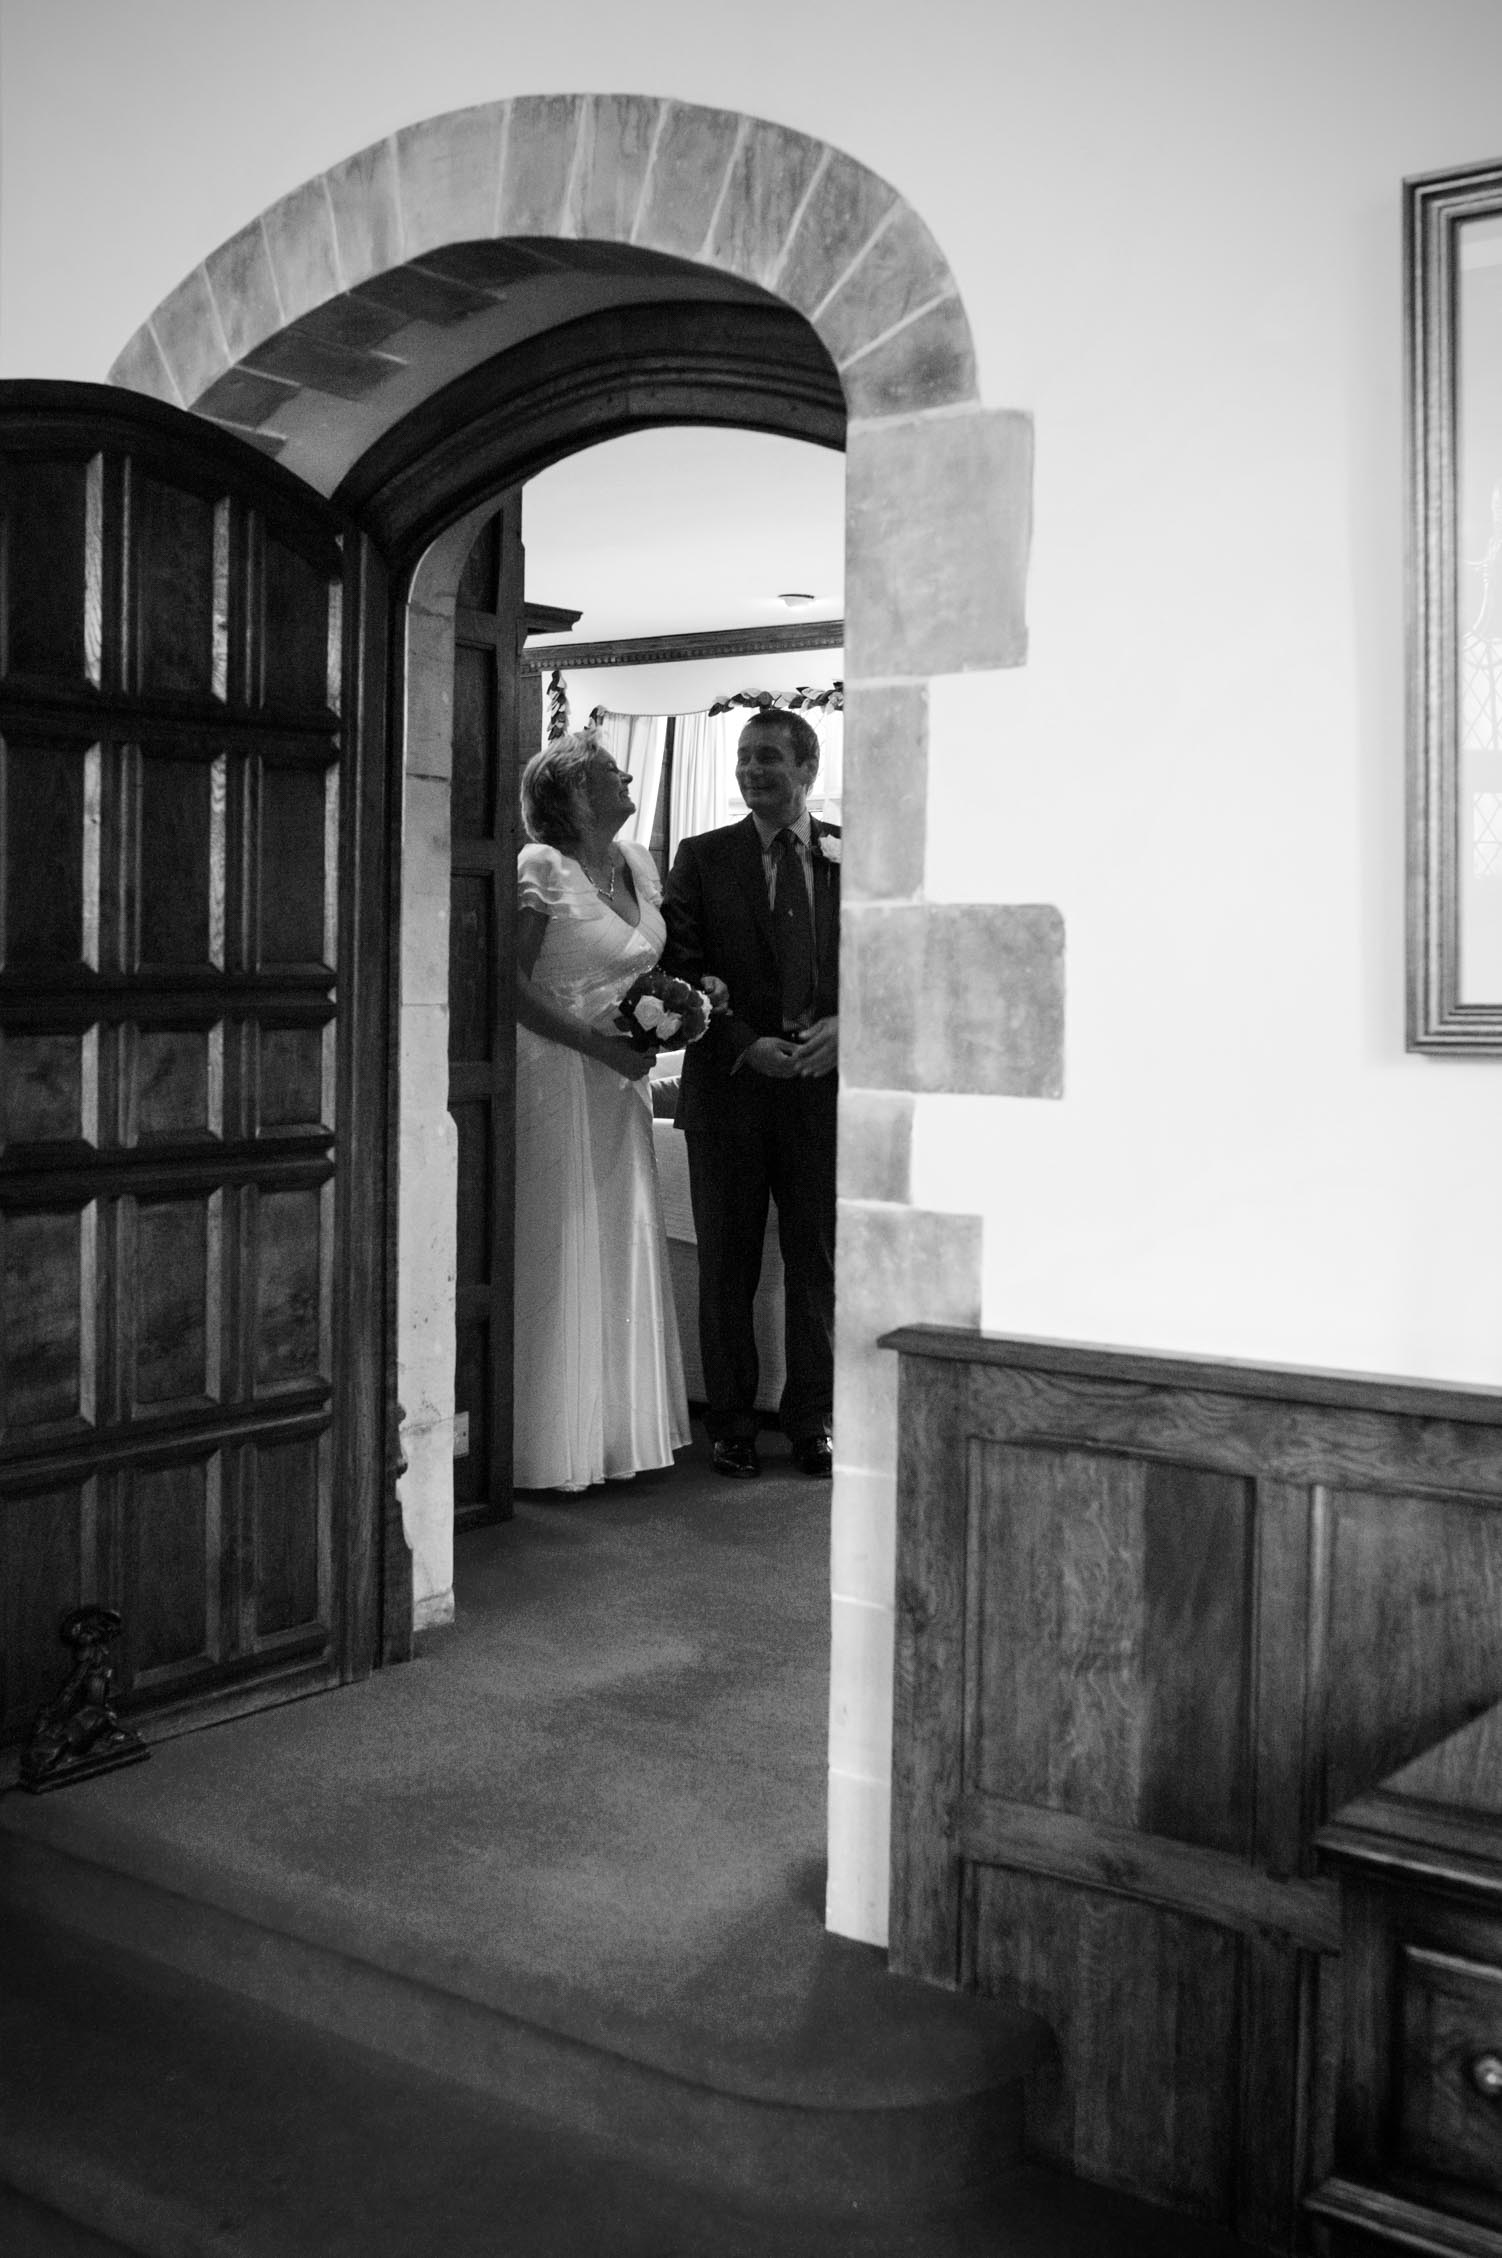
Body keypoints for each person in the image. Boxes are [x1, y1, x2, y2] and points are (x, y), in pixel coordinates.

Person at [662, 709, 839, 1480]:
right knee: (726, 1269)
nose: (751, 771)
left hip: (824, 1094)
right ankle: (731, 1422)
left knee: (817, 1268)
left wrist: (850, 1024)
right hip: (731, 1094)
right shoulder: (702, 858)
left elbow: (896, 958)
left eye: (768, 758)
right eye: (742, 759)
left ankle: (813, 1421)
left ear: (807, 769)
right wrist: (742, 1045)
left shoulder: (854, 856)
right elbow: (679, 963)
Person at [512, 730, 690, 1492]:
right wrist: (597, 1044)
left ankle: (620, 1428)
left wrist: (680, 1009)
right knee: (565, 1235)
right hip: (556, 1068)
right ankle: (553, 1442)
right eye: (611, 772)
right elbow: (507, 983)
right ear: (576, 793)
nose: (625, 779)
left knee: (622, 1233)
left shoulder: (639, 862)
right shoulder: (540, 866)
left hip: (622, 1074)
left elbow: (650, 963)